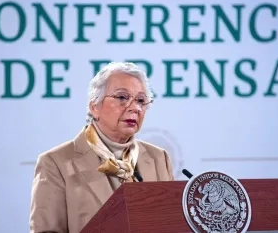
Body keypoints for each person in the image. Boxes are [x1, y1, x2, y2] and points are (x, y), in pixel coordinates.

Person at [29, 62, 175, 233]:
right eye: (122, 97)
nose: (135, 108)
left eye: (141, 101)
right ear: (94, 107)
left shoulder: (158, 158)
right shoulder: (56, 163)